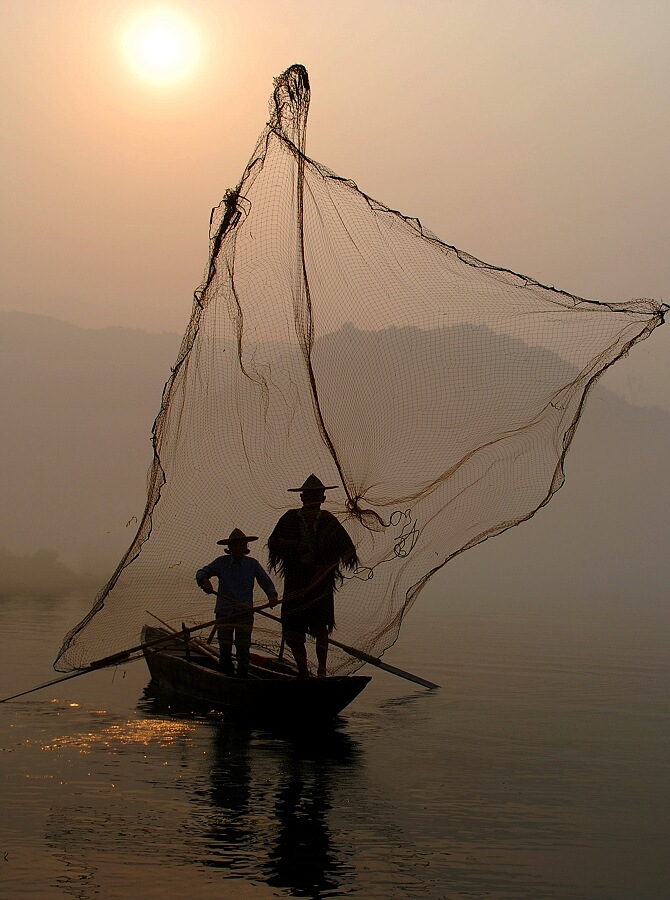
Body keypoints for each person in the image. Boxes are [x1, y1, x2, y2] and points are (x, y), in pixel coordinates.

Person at [268, 474, 358, 678]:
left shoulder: (328, 520)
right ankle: (302, 672)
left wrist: (324, 567)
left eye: (316, 496)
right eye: (308, 496)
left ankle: (322, 671)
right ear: (302, 498)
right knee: (293, 629)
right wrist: (295, 545)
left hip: (320, 583)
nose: (312, 500)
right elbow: (273, 542)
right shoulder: (290, 518)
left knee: (320, 627)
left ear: (323, 498)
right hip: (296, 580)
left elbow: (348, 551)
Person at [196, 528, 278, 678]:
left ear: (246, 547)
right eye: (235, 545)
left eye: (241, 545)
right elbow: (202, 572)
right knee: (225, 648)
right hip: (224, 612)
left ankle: (242, 676)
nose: (238, 548)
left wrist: (272, 596)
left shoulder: (252, 564)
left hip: (244, 613)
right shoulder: (221, 562)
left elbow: (266, 582)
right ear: (230, 548)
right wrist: (205, 582)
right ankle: (226, 674)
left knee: (242, 647)